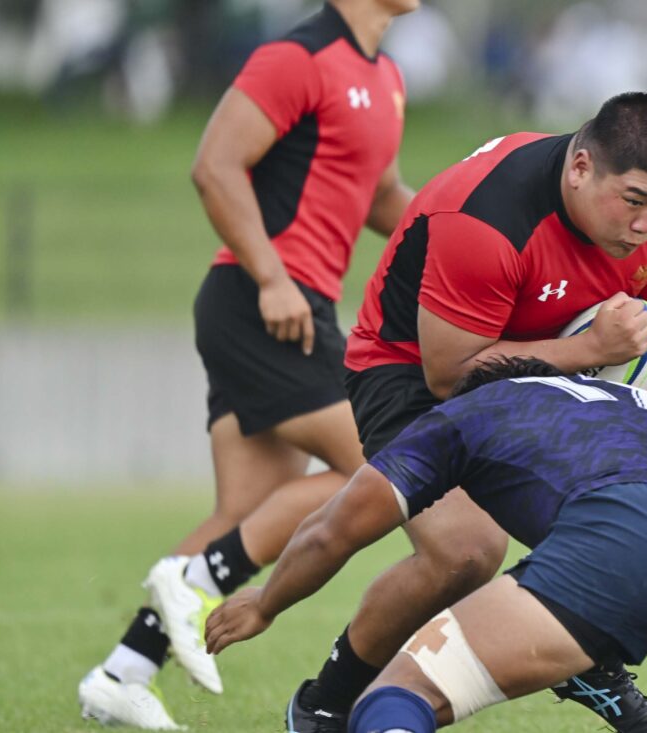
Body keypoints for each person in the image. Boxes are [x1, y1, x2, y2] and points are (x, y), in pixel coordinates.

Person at [280, 91, 647, 733]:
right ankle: (325, 704)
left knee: (628, 517)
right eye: (634, 201)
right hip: (405, 367)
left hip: (545, 371)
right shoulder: (487, 217)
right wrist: (588, 350)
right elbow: (451, 376)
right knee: (467, 551)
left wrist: (640, 417)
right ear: (581, 167)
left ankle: (594, 667)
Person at [204, 356, 647, 733]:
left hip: (618, 540)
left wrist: (266, 601)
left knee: (398, 697)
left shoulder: (466, 412)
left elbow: (334, 529)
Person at [77, 1, 416, 729]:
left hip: (297, 306)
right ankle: (192, 579)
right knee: (376, 466)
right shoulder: (297, 57)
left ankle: (121, 672)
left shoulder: (387, 77)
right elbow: (214, 165)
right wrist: (270, 276)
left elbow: (383, 197)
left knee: (244, 511)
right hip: (260, 302)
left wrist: (462, 228)